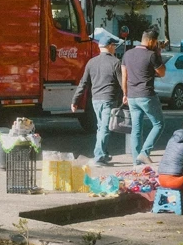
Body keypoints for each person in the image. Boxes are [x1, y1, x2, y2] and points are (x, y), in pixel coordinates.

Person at [71, 33, 123, 166]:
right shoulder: (115, 62)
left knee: (101, 127)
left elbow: (83, 83)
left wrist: (75, 101)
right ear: (110, 46)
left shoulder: (91, 62)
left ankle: (103, 154)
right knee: (105, 128)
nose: (115, 49)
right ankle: (99, 156)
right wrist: (127, 95)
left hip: (96, 100)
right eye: (114, 46)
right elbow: (122, 83)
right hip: (109, 99)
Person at [122, 27, 166, 165]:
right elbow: (162, 72)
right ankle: (144, 152)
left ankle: (137, 163)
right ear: (152, 41)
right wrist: (158, 53)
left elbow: (124, 76)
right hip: (146, 95)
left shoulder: (127, 54)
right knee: (158, 124)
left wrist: (125, 94)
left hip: (131, 96)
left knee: (136, 128)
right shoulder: (151, 55)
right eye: (156, 42)